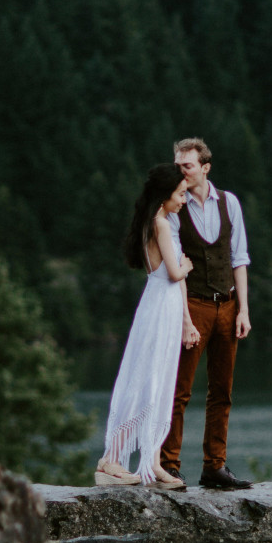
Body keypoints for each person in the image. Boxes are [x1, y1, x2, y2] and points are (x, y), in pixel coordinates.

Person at [95, 164, 199, 490]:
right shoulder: (160, 225)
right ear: (165, 193)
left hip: (162, 308)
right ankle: (111, 459)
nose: (184, 200)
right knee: (147, 382)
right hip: (158, 309)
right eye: (180, 194)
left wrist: (186, 322)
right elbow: (173, 272)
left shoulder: (158, 222)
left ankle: (152, 465)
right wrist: (186, 265)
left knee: (159, 382)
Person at [160, 137, 252, 490]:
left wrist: (244, 309)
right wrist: (184, 318)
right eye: (177, 164)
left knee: (222, 390)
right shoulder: (174, 208)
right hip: (194, 304)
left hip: (228, 305)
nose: (180, 170)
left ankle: (214, 466)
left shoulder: (230, 203)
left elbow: (239, 258)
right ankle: (169, 465)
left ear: (205, 167)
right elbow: (177, 268)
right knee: (180, 390)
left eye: (187, 165)